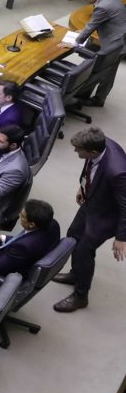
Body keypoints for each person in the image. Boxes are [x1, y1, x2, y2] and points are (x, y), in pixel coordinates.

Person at [52, 127, 126, 312]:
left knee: (84, 250)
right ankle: (76, 274)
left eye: (79, 150)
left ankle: (80, 296)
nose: (76, 152)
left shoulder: (118, 172)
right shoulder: (100, 142)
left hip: (106, 215)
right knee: (72, 236)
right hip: (92, 199)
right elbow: (90, 166)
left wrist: (121, 238)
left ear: (92, 151)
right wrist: (83, 187)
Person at [66, 0, 126, 106]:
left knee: (104, 72)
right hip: (118, 38)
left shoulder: (103, 7)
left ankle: (97, 99)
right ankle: (90, 95)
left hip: (114, 44)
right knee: (105, 71)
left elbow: (91, 26)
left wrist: (75, 43)